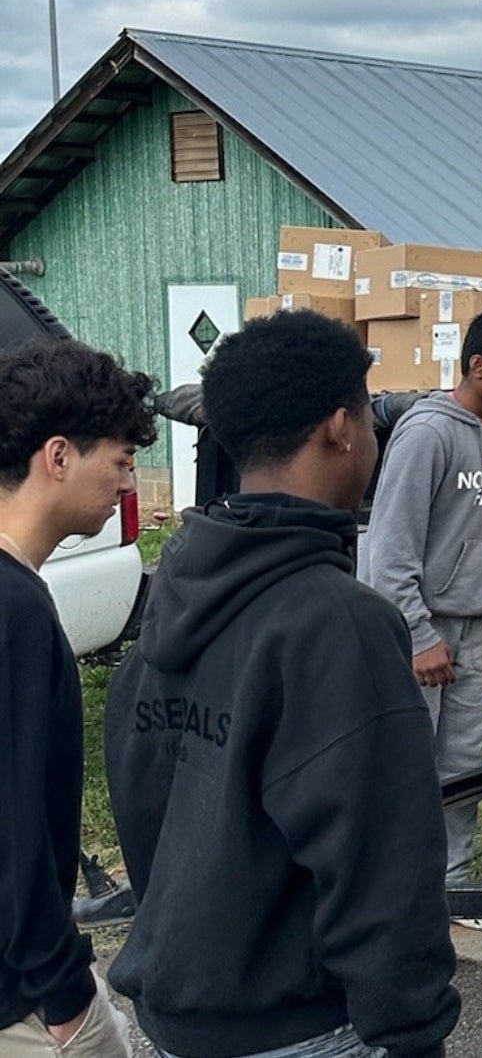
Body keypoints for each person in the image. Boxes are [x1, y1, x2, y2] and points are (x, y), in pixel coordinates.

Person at [106, 311, 460, 1058]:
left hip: (181, 1018)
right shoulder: (340, 624)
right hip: (303, 1029)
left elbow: (144, 801)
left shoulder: (176, 592)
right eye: (368, 413)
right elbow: (385, 863)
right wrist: (413, 1031)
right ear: (340, 427)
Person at [1, 340, 154, 1058]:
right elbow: (16, 822)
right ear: (58, 456)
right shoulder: (17, 610)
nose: (129, 484)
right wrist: (64, 996)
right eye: (122, 461)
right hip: (25, 1001)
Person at [365, 309, 482, 922]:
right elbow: (388, 550)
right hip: (427, 632)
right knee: (410, 763)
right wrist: (417, 635)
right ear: (477, 366)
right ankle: (397, 892)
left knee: (466, 764)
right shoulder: (426, 434)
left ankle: (453, 888)